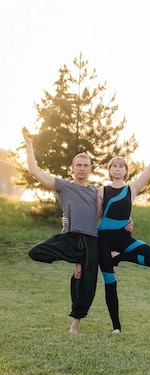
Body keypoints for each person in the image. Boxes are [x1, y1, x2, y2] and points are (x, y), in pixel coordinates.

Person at [22, 127, 99, 334]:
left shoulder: (96, 191)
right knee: (36, 251)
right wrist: (30, 145)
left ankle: (75, 324)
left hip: (92, 241)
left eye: (86, 165)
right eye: (79, 165)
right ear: (72, 167)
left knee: (86, 284)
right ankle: (75, 258)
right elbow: (34, 171)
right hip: (70, 238)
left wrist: (128, 221)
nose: (82, 168)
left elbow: (111, 211)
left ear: (90, 169)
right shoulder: (63, 186)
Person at [96, 130, 150, 333]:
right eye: (114, 166)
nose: (118, 168)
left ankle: (118, 257)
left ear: (126, 171)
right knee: (110, 282)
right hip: (103, 239)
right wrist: (66, 220)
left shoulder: (132, 189)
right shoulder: (101, 190)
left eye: (122, 166)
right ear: (110, 170)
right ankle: (116, 327)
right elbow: (94, 216)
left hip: (124, 238)